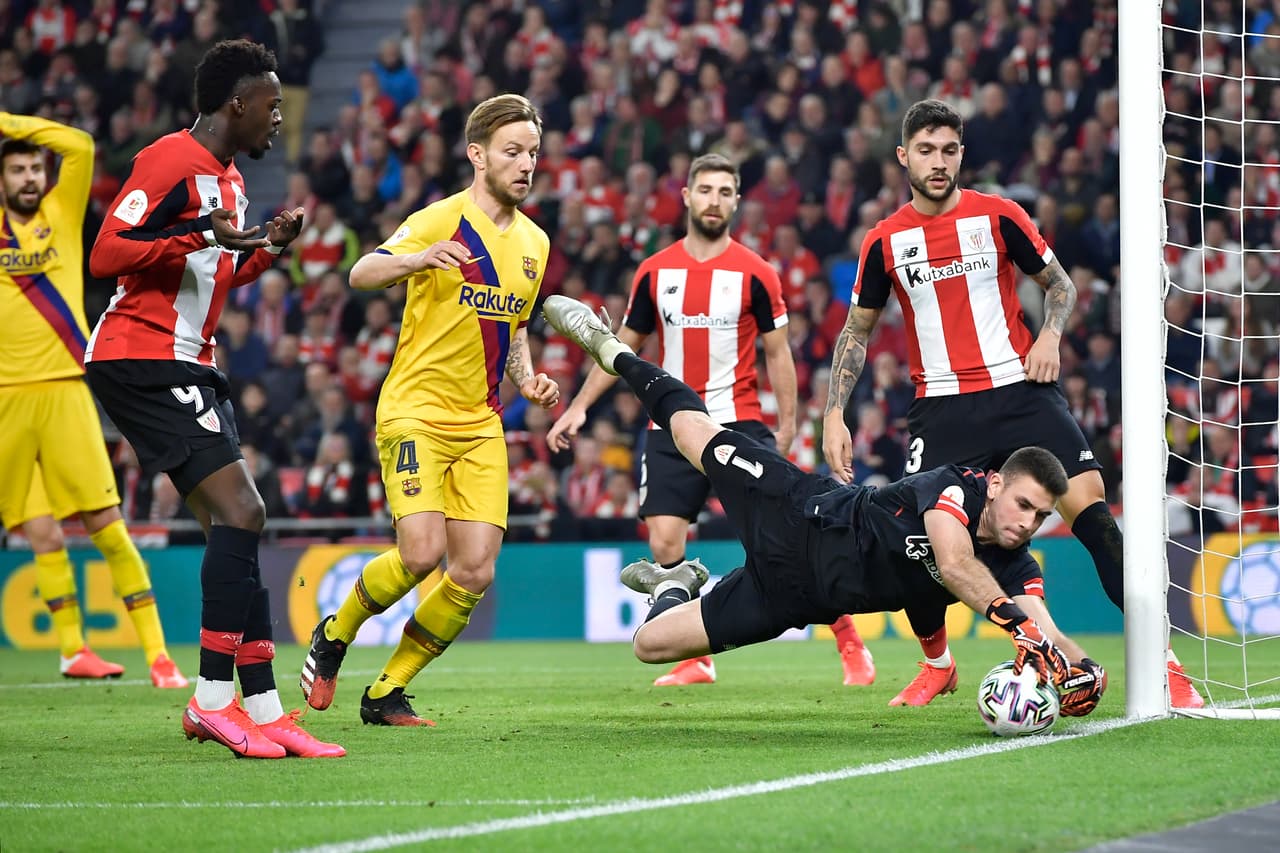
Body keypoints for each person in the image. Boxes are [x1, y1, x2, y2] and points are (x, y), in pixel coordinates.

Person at [540, 294, 1107, 719]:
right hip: (795, 510)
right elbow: (955, 563)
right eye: (1024, 505)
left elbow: (1046, 628)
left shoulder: (1013, 563)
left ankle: (673, 583)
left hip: (790, 597)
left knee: (648, 645)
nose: (1027, 523)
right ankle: (612, 349)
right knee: (694, 433)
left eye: (1041, 516)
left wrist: (1081, 668)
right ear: (997, 484)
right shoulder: (955, 486)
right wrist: (1013, 624)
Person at [820, 99, 1201, 709]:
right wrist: (834, 412)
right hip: (942, 406)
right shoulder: (884, 240)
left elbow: (1060, 285)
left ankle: (1166, 664)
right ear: (903, 157)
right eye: (926, 151)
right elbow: (856, 331)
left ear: (961, 154)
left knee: (1095, 519)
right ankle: (938, 664)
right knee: (919, 541)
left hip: (1021, 392)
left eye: (949, 150)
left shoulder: (999, 216)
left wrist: (1049, 335)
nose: (938, 162)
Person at [85, 40, 343, 758]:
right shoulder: (169, 159)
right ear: (237, 103)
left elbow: (214, 270)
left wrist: (268, 248)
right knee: (244, 511)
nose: (278, 117)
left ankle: (262, 708)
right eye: (272, 105)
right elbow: (106, 253)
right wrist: (197, 232)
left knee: (237, 526)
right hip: (141, 355)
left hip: (191, 361)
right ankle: (209, 701)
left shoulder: (231, 179)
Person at [546, 153, 876, 688]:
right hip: (669, 426)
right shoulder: (654, 272)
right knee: (665, 545)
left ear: (737, 201)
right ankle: (694, 659)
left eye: (725, 191)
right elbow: (623, 344)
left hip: (738, 422)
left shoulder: (757, 272)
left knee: (786, 540)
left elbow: (778, 353)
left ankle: (850, 642)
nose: (714, 200)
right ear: (687, 196)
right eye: (705, 190)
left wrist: (787, 426)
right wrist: (580, 406)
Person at [299, 93, 559, 726]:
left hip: (481, 421)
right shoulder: (440, 218)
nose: (527, 164)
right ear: (478, 155)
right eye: (513, 152)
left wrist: (527, 381)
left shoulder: (536, 242)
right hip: (415, 410)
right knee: (420, 554)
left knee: (473, 570)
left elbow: (515, 329)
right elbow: (362, 272)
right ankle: (334, 634)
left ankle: (387, 691)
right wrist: (416, 259)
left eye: (533, 152)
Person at [0, 112, 187, 688]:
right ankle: (71, 650)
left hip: (63, 387)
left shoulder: (59, 213)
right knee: (38, 531)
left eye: (35, 169)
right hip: (4, 402)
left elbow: (79, 144)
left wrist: (6, 121)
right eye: (17, 170)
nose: (29, 178)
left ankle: (158, 656)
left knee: (106, 520)